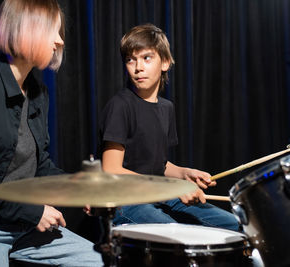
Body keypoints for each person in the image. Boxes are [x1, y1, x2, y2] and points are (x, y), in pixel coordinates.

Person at [0, 0, 103, 266]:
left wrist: (80, 188)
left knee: (100, 261)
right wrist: (31, 212)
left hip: (26, 227)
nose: (59, 41)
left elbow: (39, 166)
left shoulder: (38, 93)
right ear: (28, 29)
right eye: (53, 30)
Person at [98, 24, 239, 231]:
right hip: (125, 200)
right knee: (176, 235)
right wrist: (170, 187)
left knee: (235, 225)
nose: (138, 67)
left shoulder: (166, 108)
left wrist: (184, 174)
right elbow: (111, 170)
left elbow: (158, 165)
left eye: (147, 58)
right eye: (131, 60)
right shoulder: (120, 105)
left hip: (159, 195)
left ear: (165, 62)